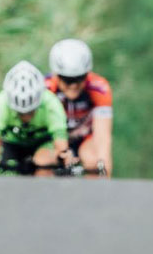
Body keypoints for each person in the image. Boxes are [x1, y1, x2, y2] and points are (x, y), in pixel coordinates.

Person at [0, 61, 75, 176]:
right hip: (12, 143)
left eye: (30, 111)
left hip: (43, 143)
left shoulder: (52, 103)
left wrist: (64, 158)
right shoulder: (0, 103)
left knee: (44, 161)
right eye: (20, 112)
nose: (26, 117)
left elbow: (61, 145)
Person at [46, 38, 113, 177]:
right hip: (52, 139)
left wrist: (105, 177)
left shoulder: (99, 88)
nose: (74, 85)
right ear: (56, 75)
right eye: (68, 80)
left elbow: (103, 137)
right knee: (44, 161)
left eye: (80, 78)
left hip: (84, 139)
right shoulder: (44, 89)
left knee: (94, 160)